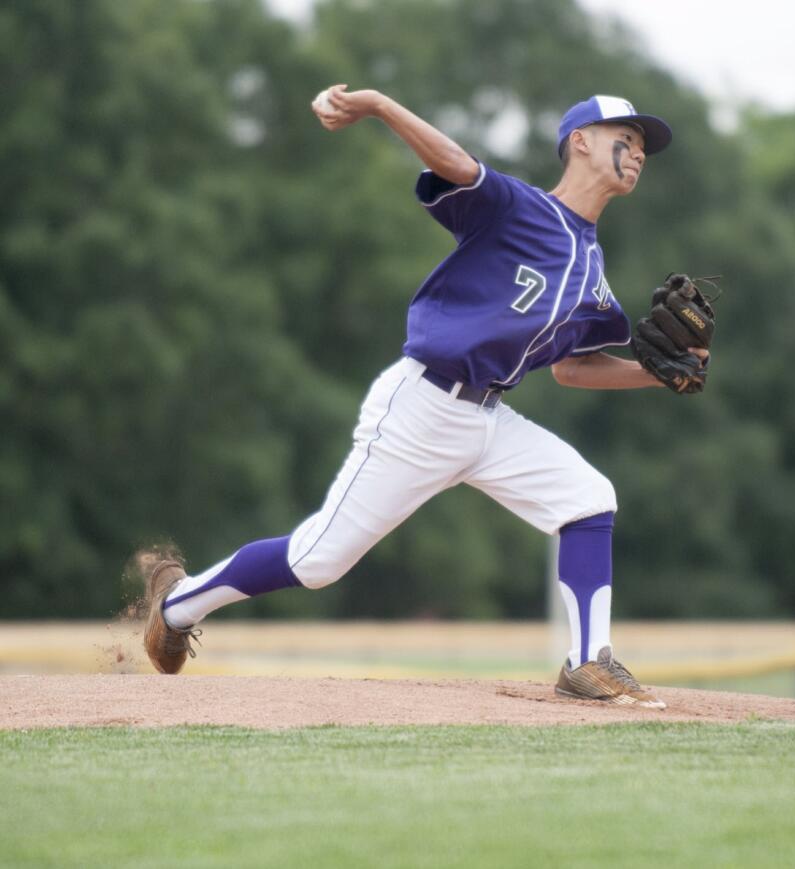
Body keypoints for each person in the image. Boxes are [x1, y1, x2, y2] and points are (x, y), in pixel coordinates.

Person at [137, 88, 703, 709]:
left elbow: (571, 369)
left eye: (645, 145)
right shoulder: (516, 208)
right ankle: (178, 605)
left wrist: (654, 375)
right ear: (580, 142)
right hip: (422, 407)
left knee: (590, 498)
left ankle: (587, 663)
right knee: (319, 560)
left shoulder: (594, 273)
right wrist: (378, 105)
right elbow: (459, 165)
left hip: (490, 420)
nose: (639, 152)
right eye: (627, 136)